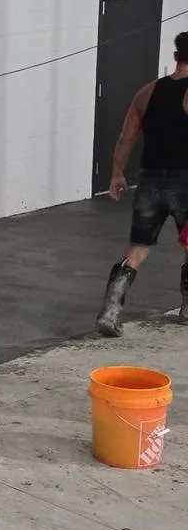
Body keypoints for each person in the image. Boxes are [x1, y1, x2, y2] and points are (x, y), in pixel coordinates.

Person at [96, 31, 188, 337]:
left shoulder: (147, 92)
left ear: (175, 57)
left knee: (138, 248)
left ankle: (110, 309)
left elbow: (126, 138)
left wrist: (117, 174)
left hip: (151, 180)